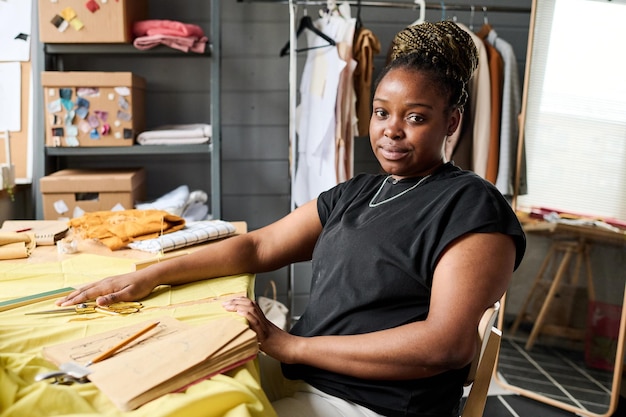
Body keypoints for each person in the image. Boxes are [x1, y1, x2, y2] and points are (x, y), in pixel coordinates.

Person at [57, 21, 526, 417]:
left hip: (368, 404)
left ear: (452, 123)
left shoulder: (471, 206)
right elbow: (257, 247)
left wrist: (289, 345)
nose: (391, 130)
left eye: (416, 118)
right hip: (303, 378)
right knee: (141, 385)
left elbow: (445, 345)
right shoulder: (360, 191)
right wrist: (149, 276)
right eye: (382, 112)